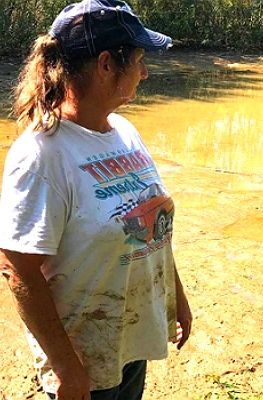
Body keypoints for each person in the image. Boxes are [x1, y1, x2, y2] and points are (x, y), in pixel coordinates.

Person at [0, 1, 192, 399]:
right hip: (83, 361)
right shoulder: (42, 155)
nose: (145, 72)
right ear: (106, 64)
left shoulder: (124, 131)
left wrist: (176, 297)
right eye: (138, 60)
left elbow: (149, 218)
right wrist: (67, 370)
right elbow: (18, 271)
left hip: (129, 341)